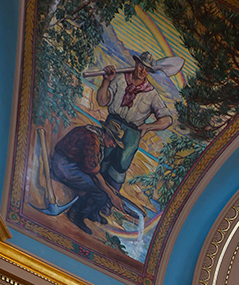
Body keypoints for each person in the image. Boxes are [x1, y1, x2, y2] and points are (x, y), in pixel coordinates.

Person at [95, 52, 173, 195]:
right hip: (112, 124)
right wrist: (106, 81)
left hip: (132, 132)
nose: (143, 71)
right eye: (141, 66)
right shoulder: (119, 79)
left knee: (121, 166)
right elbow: (102, 101)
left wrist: (148, 127)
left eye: (147, 69)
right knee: (103, 156)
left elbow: (167, 120)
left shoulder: (151, 94)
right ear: (136, 64)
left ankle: (107, 202)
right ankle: (91, 193)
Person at [49, 121, 127, 234]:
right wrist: (111, 195)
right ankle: (75, 214)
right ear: (107, 134)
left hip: (69, 163)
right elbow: (94, 173)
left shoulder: (94, 135)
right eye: (113, 141)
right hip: (63, 166)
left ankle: (92, 214)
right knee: (99, 193)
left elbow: (89, 167)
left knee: (102, 190)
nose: (114, 145)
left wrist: (109, 188)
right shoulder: (92, 140)